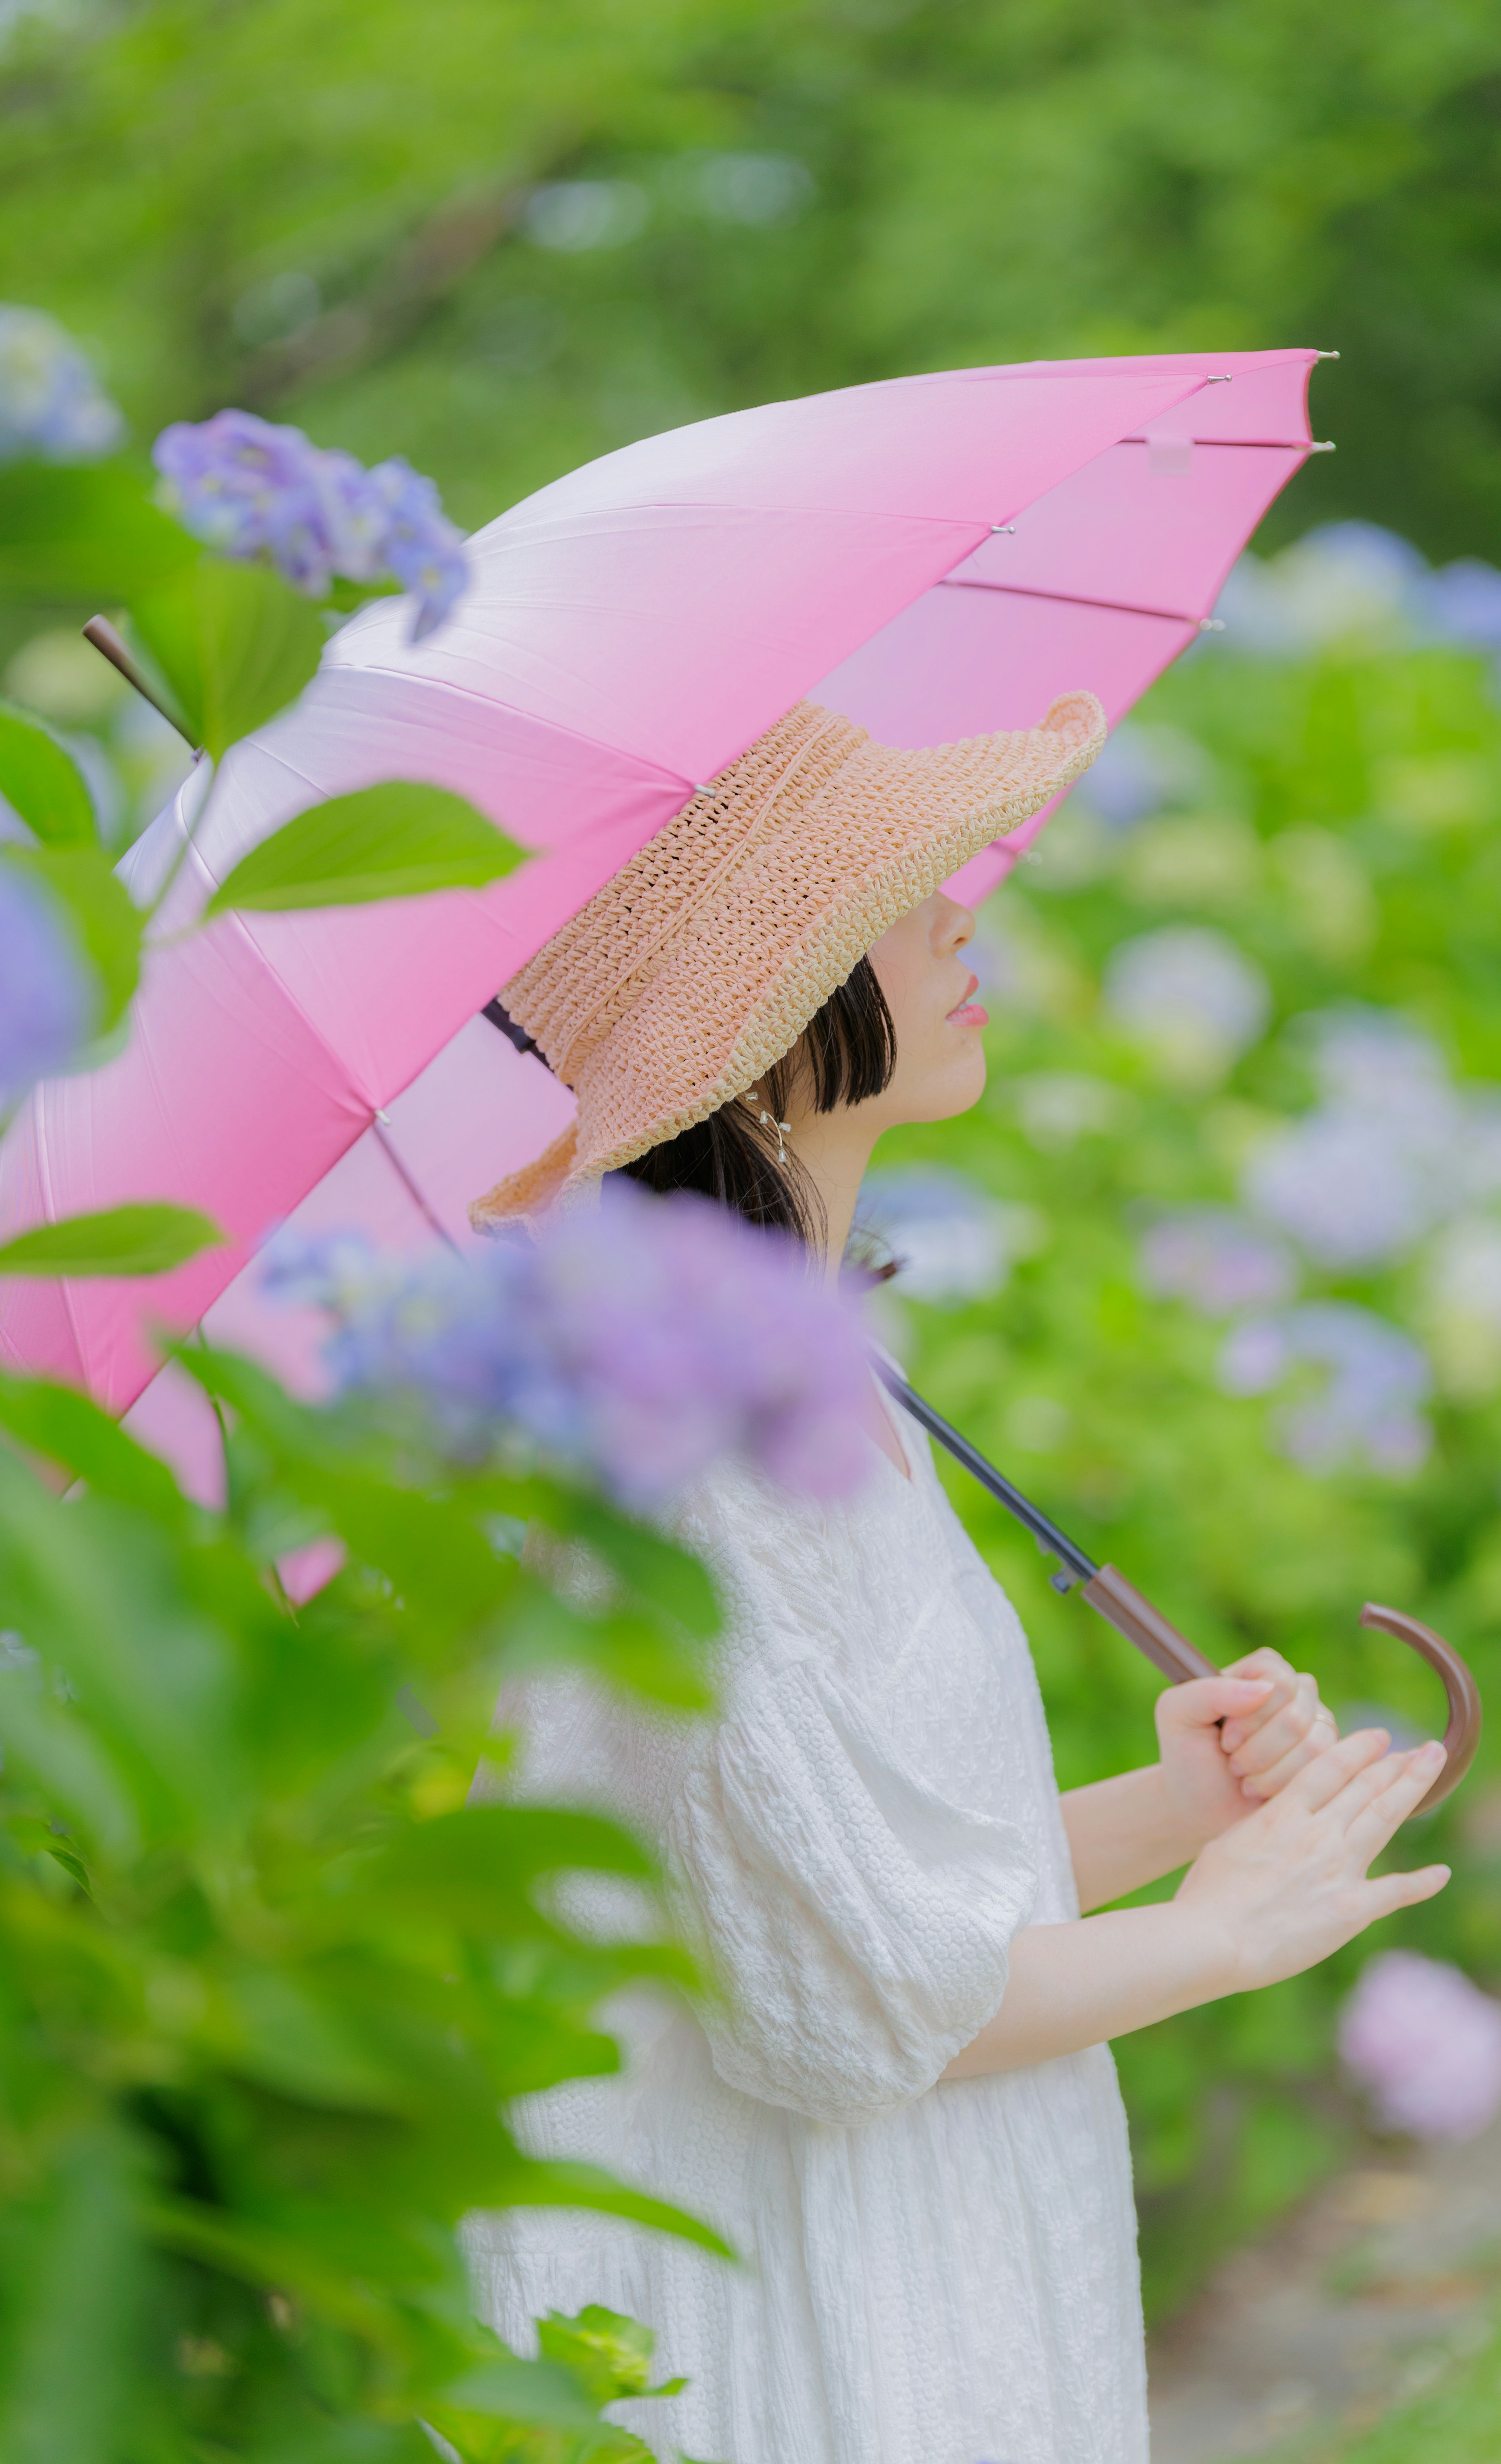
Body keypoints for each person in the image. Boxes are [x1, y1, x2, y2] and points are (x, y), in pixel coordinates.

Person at [463, 693, 1450, 2464]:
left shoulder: (799, 1379)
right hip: (797, 2309)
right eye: (894, 897)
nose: (962, 916)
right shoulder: (692, 1448)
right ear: (761, 1021)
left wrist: (1172, 1805)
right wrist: (1221, 1934)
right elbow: (855, 2014)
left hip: (908, 2251)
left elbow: (824, 1896)